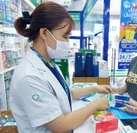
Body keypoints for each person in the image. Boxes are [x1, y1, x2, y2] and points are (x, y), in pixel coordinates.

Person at [10, 2, 112, 133]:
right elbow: (60, 125)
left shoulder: (47, 63)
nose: (67, 42)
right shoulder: (29, 76)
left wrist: (94, 88)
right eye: (65, 36)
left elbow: (64, 93)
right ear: (45, 33)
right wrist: (96, 104)